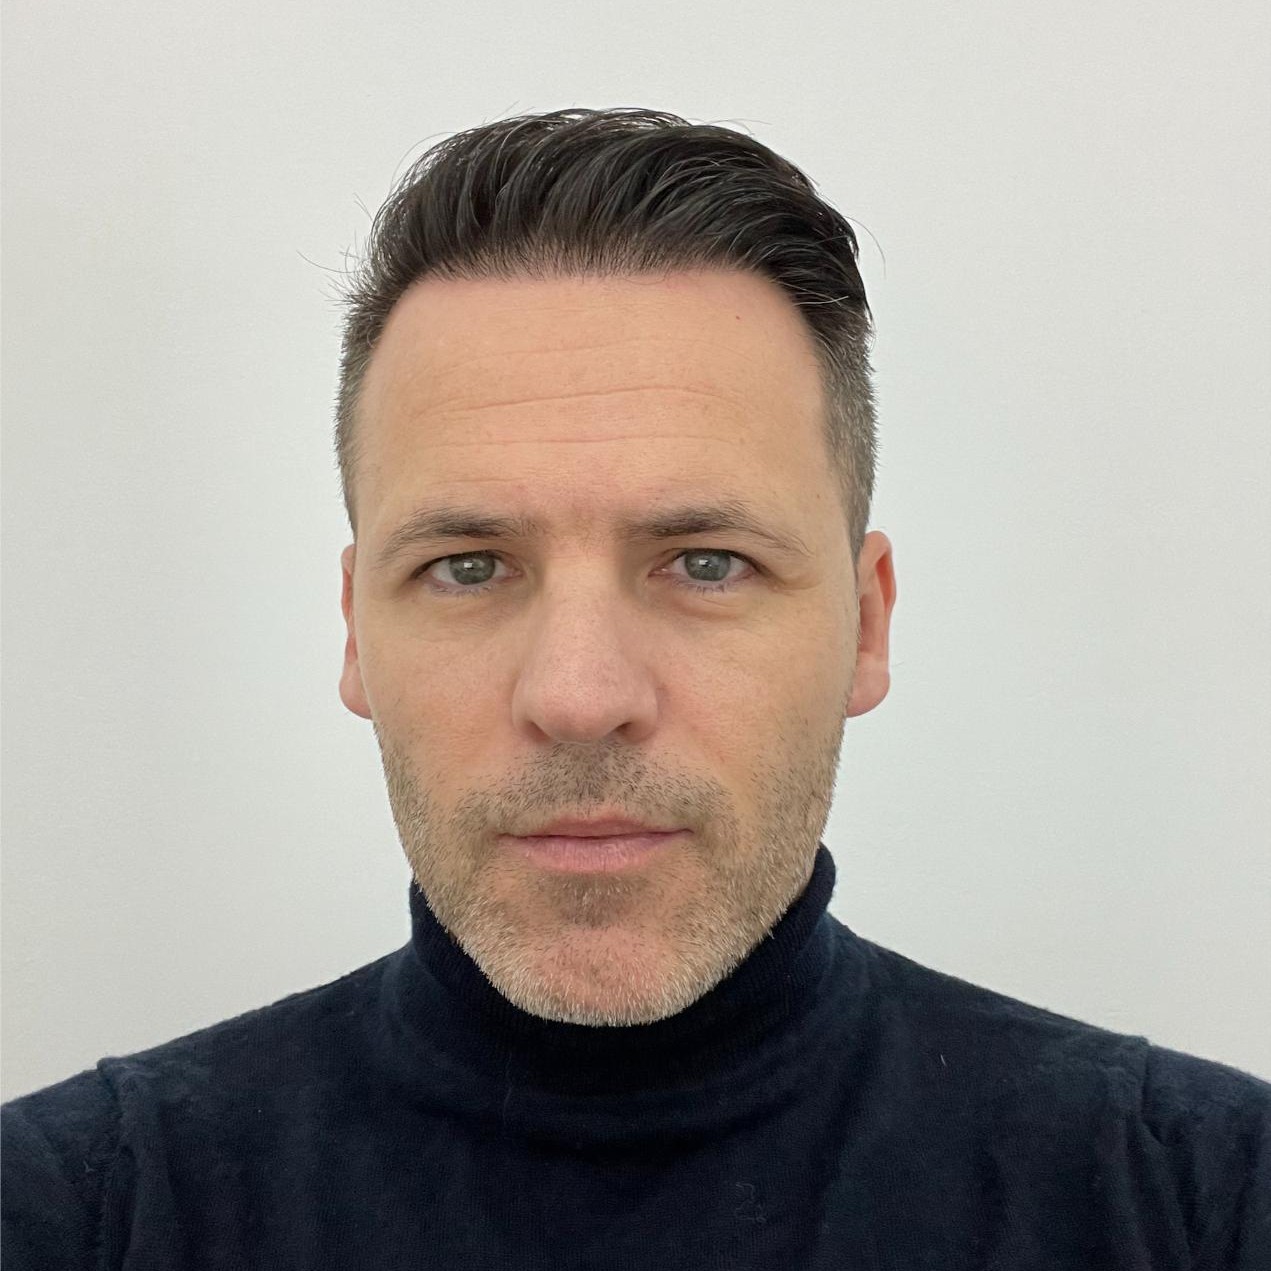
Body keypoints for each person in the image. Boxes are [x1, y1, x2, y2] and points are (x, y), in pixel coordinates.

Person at [2, 106, 1267, 1270]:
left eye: (705, 561)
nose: (578, 694)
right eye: (467, 566)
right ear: (354, 632)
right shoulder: (74, 1209)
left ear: (866, 623)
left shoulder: (1203, 1200)